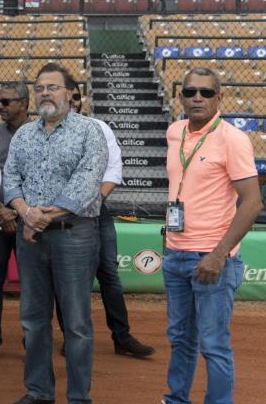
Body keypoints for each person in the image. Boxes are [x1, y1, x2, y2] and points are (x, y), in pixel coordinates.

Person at [3, 63, 107, 404]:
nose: (44, 93)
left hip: (73, 236)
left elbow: (88, 180)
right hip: (30, 236)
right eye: (39, 88)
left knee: (76, 324)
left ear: (70, 93)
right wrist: (25, 212)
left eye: (52, 87)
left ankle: (79, 397)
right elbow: (10, 179)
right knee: (33, 320)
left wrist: (43, 216)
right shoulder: (23, 135)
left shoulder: (89, 131)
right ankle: (38, 392)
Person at [162, 67, 261, 404]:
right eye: (190, 92)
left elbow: (252, 203)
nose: (197, 98)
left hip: (212, 259)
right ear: (181, 97)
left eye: (206, 92)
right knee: (179, 338)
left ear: (220, 97)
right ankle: (176, 399)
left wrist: (219, 254)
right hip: (175, 253)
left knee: (214, 344)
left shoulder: (233, 139)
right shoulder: (174, 132)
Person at [53, 87, 154, 358]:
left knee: (109, 274)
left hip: (97, 211)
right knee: (69, 278)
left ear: (80, 99)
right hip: (59, 215)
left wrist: (92, 200)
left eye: (75, 98)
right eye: (66, 98)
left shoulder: (99, 127)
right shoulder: (46, 131)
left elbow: (113, 169)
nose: (71, 103)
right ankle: (71, 337)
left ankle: (121, 337)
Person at [0, 82, 30, 358]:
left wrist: (18, 212)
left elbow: (43, 178)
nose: (0, 106)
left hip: (30, 220)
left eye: (6, 101)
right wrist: (0, 210)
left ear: (23, 103)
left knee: (33, 284)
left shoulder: (41, 133)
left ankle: (33, 339)